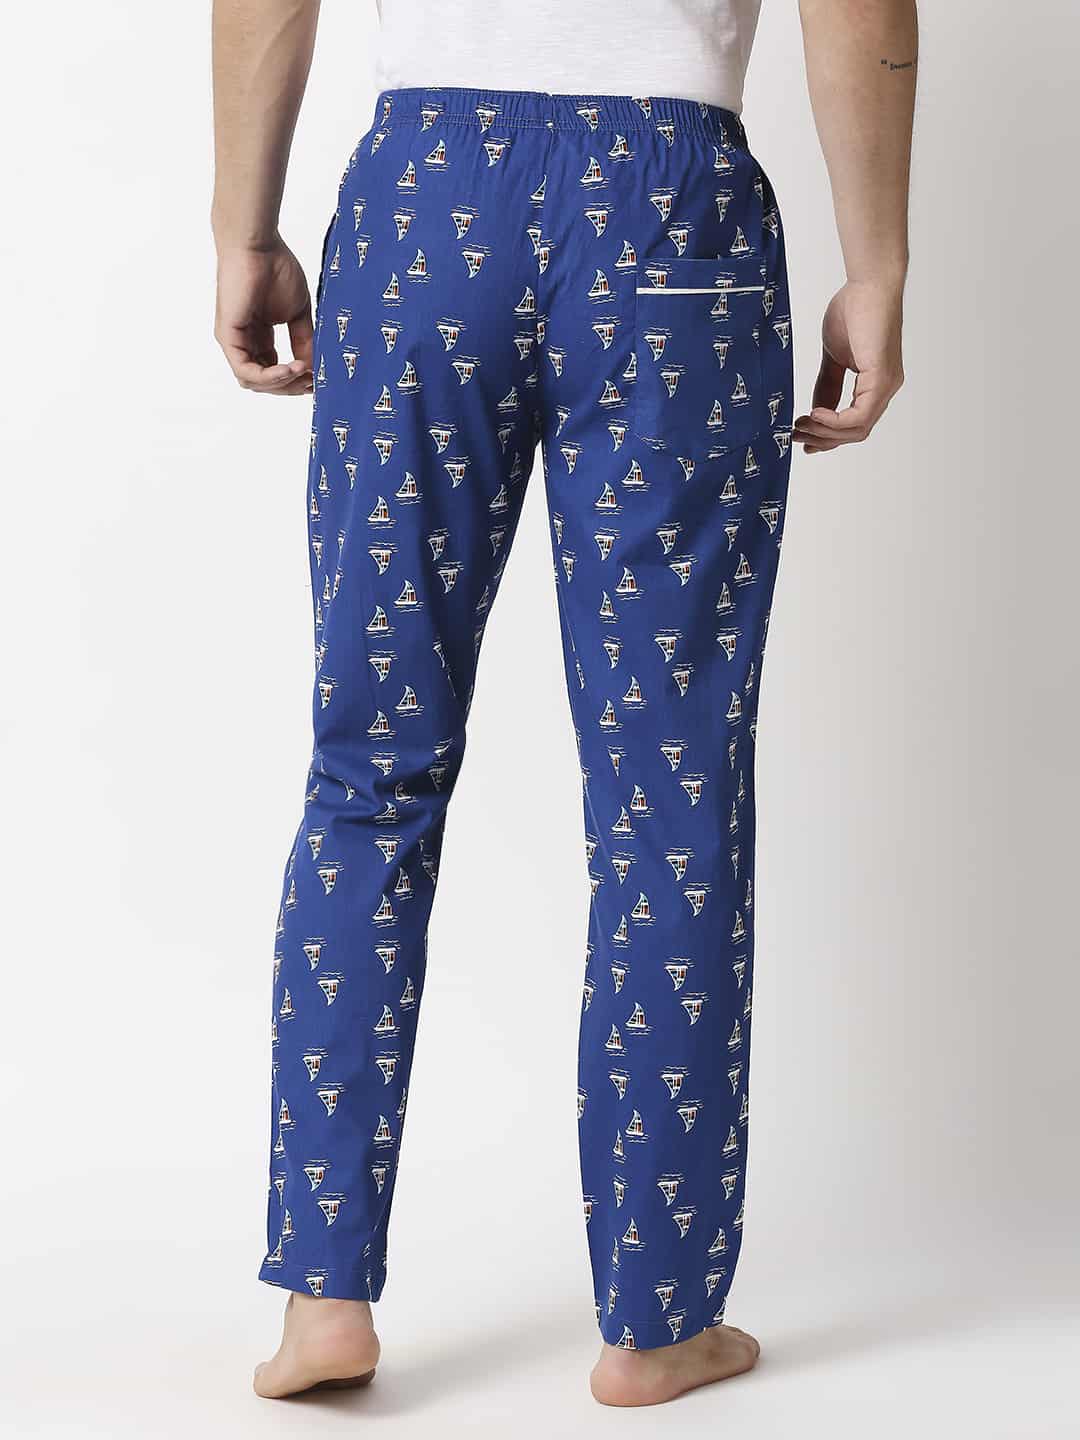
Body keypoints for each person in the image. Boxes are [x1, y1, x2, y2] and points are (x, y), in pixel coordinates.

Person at [211, 0, 916, 1408]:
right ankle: (657, 1323)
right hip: (671, 219)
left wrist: (244, 223)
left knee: (370, 770)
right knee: (671, 796)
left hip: (422, 211)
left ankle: (323, 1300)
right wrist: (878, 261)